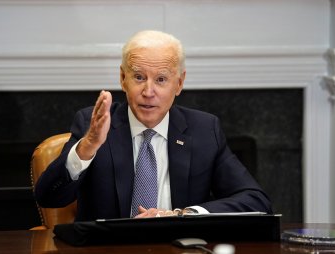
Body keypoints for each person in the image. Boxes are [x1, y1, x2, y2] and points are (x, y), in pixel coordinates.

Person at [34, 30, 272, 221]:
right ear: (122, 78)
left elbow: (255, 200)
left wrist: (183, 215)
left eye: (161, 79)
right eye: (138, 77)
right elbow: (48, 197)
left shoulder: (204, 130)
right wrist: (88, 147)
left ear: (179, 83)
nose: (149, 92)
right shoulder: (92, 125)